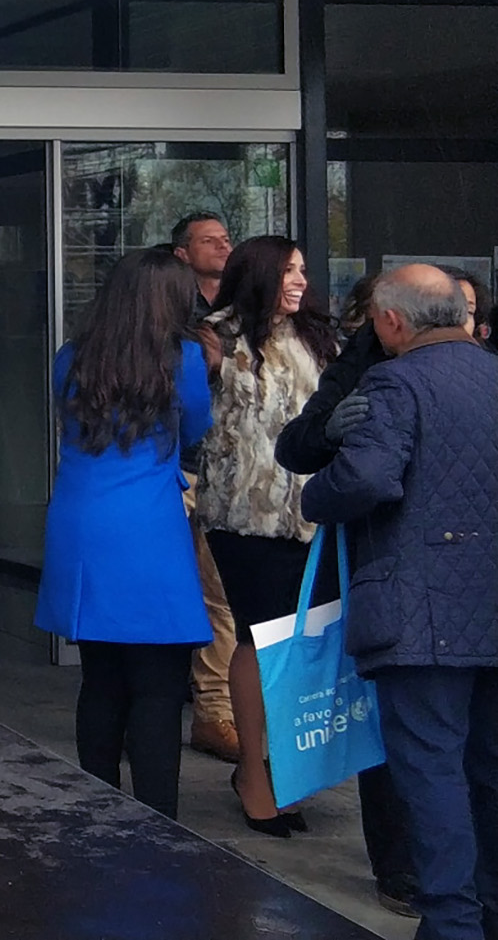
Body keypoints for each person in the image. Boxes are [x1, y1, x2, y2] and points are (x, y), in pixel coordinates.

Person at [301, 265, 498, 940]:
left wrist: (316, 490)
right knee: (488, 769)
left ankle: (452, 922)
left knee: (432, 772)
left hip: (422, 617)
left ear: (392, 322)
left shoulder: (395, 381)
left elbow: (365, 479)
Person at [35, 249, 214, 819]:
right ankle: (158, 818)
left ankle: (98, 807)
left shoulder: (72, 358)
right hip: (148, 529)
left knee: (102, 679)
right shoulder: (182, 360)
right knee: (159, 689)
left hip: (80, 523)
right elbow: (199, 426)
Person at [276, 268, 420, 919]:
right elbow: (297, 446)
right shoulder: (359, 360)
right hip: (376, 566)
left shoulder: (472, 370)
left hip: (453, 574)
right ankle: (400, 869)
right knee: (385, 727)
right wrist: (333, 430)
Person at [193, 236, 338, 836]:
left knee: (302, 642)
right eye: (289, 271)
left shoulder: (318, 336)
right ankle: (253, 769)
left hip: (313, 513)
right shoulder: (213, 335)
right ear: (260, 274)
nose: (301, 281)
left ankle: (290, 766)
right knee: (257, 638)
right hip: (241, 517)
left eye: (304, 270)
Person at [172, 209, 241, 763]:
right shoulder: (171, 316)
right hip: (184, 464)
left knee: (219, 590)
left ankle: (215, 710)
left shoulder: (245, 313)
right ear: (182, 254)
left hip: (234, 469)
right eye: (208, 240)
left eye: (226, 239)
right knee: (176, 584)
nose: (222, 246)